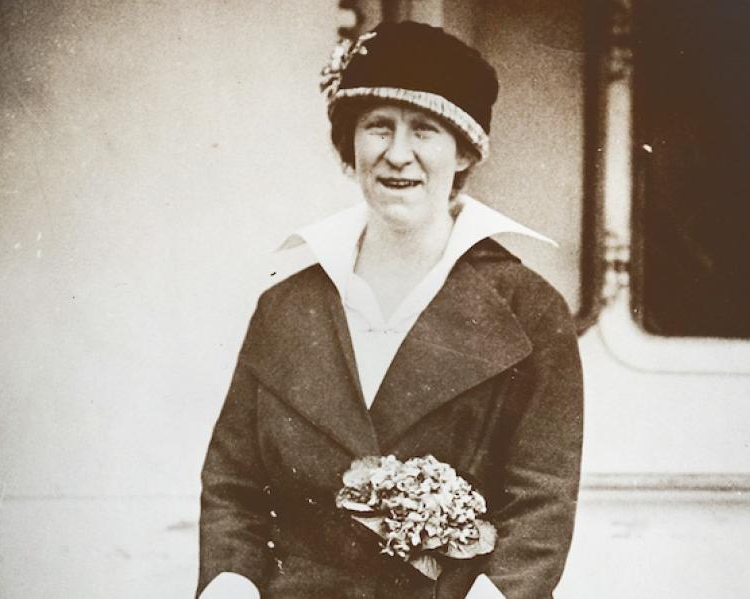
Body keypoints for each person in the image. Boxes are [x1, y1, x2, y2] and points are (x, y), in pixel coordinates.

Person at [196, 21, 583, 599]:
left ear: (465, 152)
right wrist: (231, 581)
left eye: (424, 130)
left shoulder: (530, 312)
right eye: (378, 127)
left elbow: (541, 501)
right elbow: (234, 485)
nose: (397, 154)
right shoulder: (287, 304)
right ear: (350, 147)